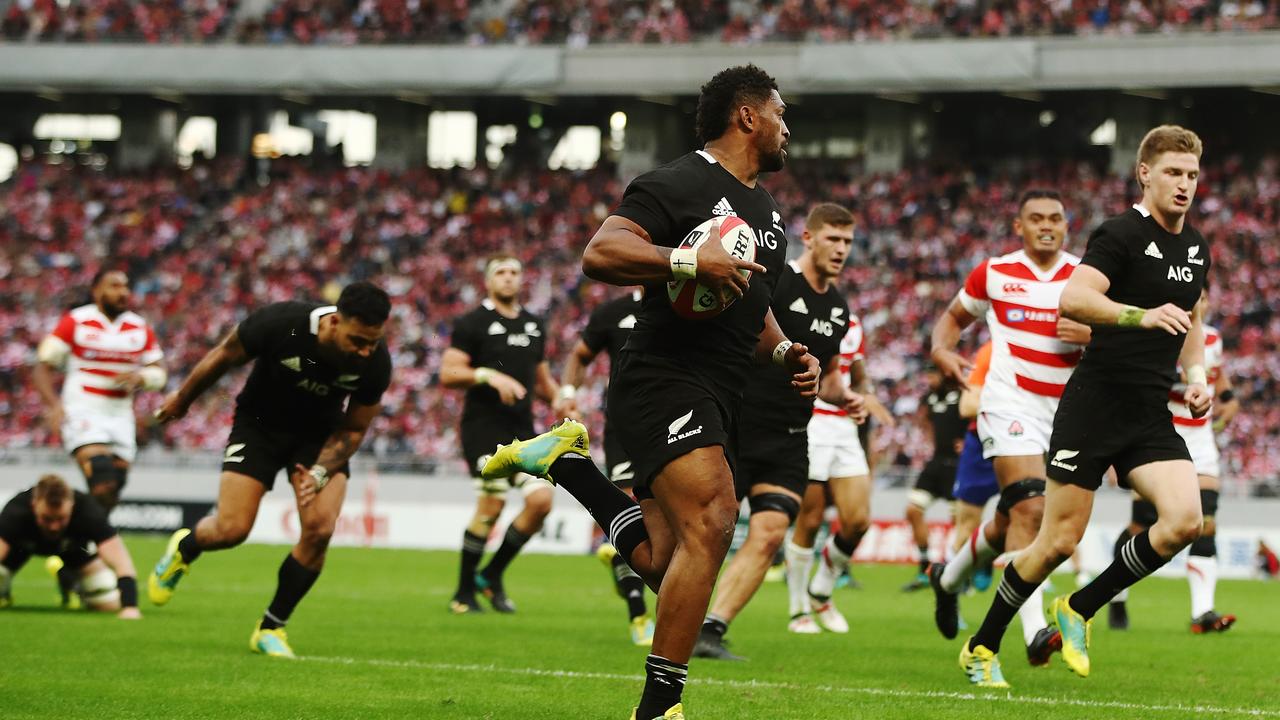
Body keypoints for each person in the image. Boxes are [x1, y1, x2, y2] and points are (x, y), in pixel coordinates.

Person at [480, 64, 821, 720]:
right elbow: (601, 251)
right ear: (747, 116)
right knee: (717, 520)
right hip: (664, 378)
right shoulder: (681, 180)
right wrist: (686, 259)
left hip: (724, 390)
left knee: (669, 563)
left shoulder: (767, 212)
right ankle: (660, 707)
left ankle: (568, 465)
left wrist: (782, 349)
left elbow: (754, 307)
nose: (788, 128)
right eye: (781, 114)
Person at [957, 125, 1212, 688]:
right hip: (1094, 405)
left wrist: (1196, 376)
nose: (1184, 185)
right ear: (1145, 173)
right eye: (1173, 172)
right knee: (1056, 543)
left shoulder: (1196, 246)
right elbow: (1074, 298)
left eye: (1192, 175)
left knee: (1185, 521)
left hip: (1148, 413)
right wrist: (1136, 315)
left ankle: (1079, 607)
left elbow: (1190, 321)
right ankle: (981, 646)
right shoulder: (1120, 233)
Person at [148, 282, 393, 659]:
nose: (365, 351)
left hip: (317, 440)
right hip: (259, 426)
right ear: (334, 321)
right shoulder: (283, 322)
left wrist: (322, 472)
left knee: (320, 529)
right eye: (358, 340)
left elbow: (355, 428)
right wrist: (183, 399)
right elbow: (224, 355)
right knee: (231, 530)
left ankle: (271, 628)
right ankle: (185, 547)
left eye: (372, 342)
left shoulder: (375, 364)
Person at [694, 202, 866, 658]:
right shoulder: (777, 281)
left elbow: (826, 378)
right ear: (809, 238)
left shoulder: (839, 308)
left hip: (790, 435)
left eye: (848, 241)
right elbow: (736, 336)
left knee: (771, 531)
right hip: (738, 424)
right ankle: (667, 605)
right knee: (712, 530)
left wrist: (843, 395)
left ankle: (711, 629)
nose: (841, 249)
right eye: (833, 238)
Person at [929, 188, 1088, 668]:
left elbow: (1118, 334)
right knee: (1032, 508)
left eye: (1055, 218)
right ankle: (1035, 628)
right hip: (1008, 402)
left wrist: (1092, 333)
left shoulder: (1086, 277)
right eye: (1036, 217)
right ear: (1018, 226)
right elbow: (951, 321)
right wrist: (941, 350)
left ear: (1066, 225)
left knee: (1008, 522)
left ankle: (949, 579)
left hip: (1066, 413)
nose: (1046, 225)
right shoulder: (995, 272)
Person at [440, 255, 567, 615]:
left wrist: (561, 400)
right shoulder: (472, 323)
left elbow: (541, 381)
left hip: (522, 431)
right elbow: (449, 373)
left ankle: (491, 575)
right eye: (501, 272)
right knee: (492, 504)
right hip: (483, 430)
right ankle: (463, 593)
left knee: (541, 502)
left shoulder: (533, 325)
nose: (508, 279)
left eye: (514, 273)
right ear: (488, 280)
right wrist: (487, 375)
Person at [1108, 287, 1240, 633]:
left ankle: (1202, 613)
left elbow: (1221, 382)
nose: (1200, 304)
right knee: (1142, 526)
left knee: (1206, 523)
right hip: (1161, 439)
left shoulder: (1212, 339)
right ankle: (1116, 595)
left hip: (1201, 440)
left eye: (1205, 299)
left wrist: (1227, 404)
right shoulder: (1159, 334)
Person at [559, 287, 654, 644]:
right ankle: (638, 614)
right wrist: (568, 395)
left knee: (665, 522)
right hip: (626, 425)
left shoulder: (688, 305)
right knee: (636, 507)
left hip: (677, 420)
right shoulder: (612, 312)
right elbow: (580, 355)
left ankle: (619, 556)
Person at [787, 311, 889, 633]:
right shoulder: (797, 311)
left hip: (844, 425)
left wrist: (865, 395)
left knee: (858, 520)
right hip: (812, 420)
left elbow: (858, 374)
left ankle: (821, 588)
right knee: (811, 518)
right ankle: (798, 609)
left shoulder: (852, 321)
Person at [33, 268, 166, 513]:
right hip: (83, 407)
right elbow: (42, 366)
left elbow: (159, 374)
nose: (122, 292)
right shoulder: (76, 321)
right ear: (96, 291)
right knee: (102, 476)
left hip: (120, 413)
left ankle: (81, 542)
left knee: (113, 488)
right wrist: (54, 405)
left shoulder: (139, 327)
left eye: (125, 286)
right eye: (114, 286)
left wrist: (141, 377)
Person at [0, 474, 141, 619]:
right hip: (18, 550)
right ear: (34, 505)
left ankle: (70, 583)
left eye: (61, 519)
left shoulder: (88, 511)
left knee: (108, 603)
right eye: (47, 519)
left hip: (74, 550)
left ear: (71, 506)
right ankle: (3, 594)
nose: (54, 527)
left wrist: (130, 607)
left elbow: (121, 561)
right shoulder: (15, 511)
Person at [900, 366, 964, 592]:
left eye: (933, 375)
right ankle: (925, 568)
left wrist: (969, 440)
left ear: (946, 374)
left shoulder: (963, 393)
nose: (929, 379)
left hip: (958, 465)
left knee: (960, 521)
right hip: (937, 461)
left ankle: (960, 574)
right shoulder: (930, 397)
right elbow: (925, 419)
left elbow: (978, 417)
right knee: (912, 510)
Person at [946, 343, 999, 593]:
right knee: (965, 527)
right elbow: (967, 407)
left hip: (1027, 445)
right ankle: (951, 597)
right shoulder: (990, 351)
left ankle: (986, 554)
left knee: (1027, 521)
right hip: (981, 445)